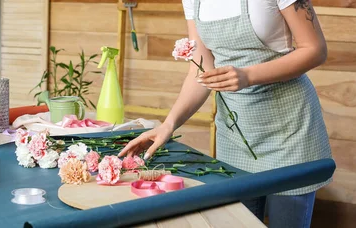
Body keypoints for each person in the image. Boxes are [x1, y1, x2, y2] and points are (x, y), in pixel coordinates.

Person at [118, 0, 332, 227]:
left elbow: (315, 49)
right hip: (235, 137)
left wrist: (248, 76)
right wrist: (168, 124)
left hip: (289, 131)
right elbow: (202, 69)